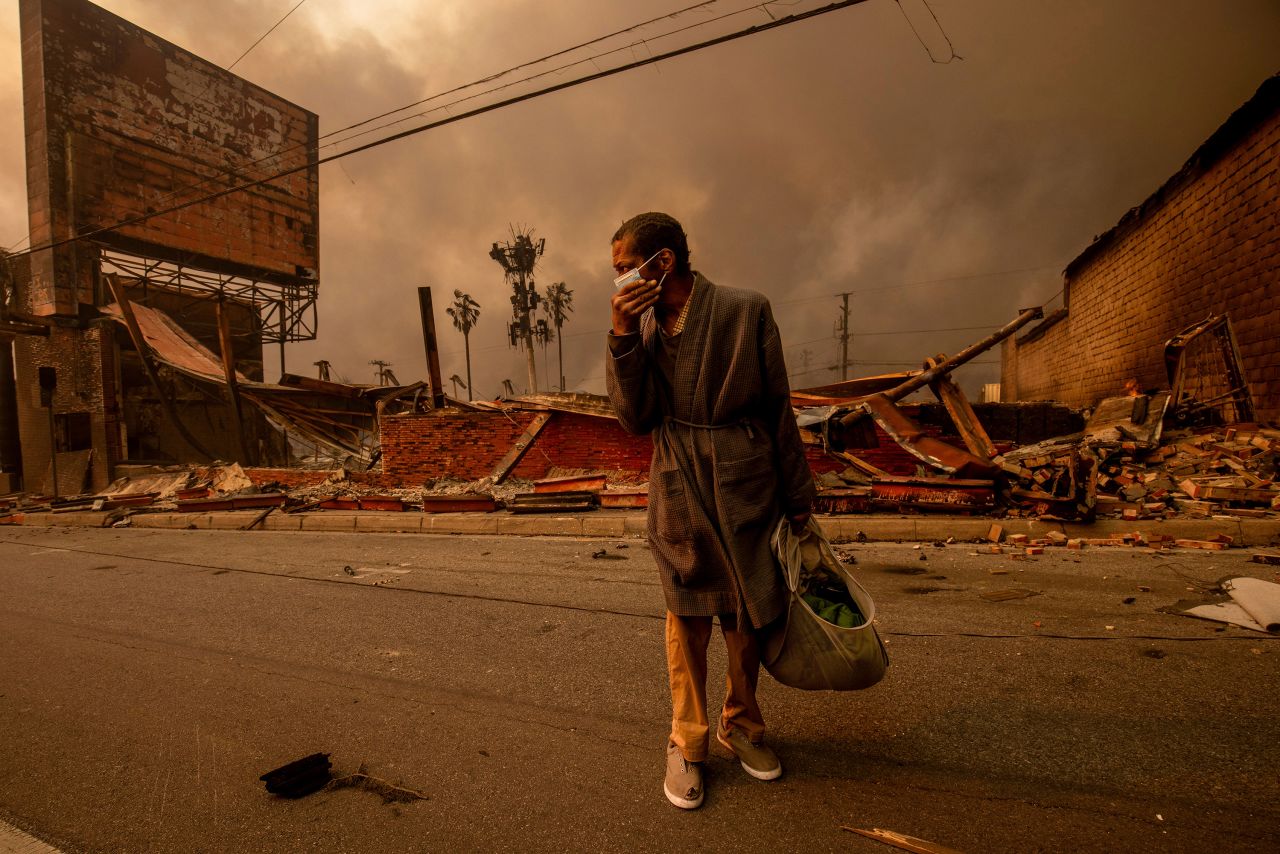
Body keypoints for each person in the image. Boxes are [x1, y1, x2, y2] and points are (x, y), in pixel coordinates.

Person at [605, 212, 815, 809]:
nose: (620, 282)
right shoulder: (642, 332)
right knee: (687, 620)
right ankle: (687, 741)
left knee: (746, 619)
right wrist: (621, 334)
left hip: (745, 481)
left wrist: (797, 496)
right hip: (677, 484)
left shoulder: (746, 309)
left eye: (625, 269)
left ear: (662, 261)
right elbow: (633, 418)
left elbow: (778, 407)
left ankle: (741, 726)